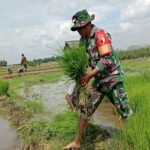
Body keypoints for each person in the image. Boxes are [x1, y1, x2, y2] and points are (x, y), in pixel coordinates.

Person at [63, 9, 133, 149]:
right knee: (85, 108)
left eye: (80, 28)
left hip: (112, 77)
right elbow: (84, 60)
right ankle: (77, 142)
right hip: (99, 80)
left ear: (88, 24)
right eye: (77, 29)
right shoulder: (83, 41)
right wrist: (81, 74)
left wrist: (89, 75)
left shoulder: (101, 35)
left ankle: (134, 137)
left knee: (124, 110)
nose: (79, 31)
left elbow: (106, 60)